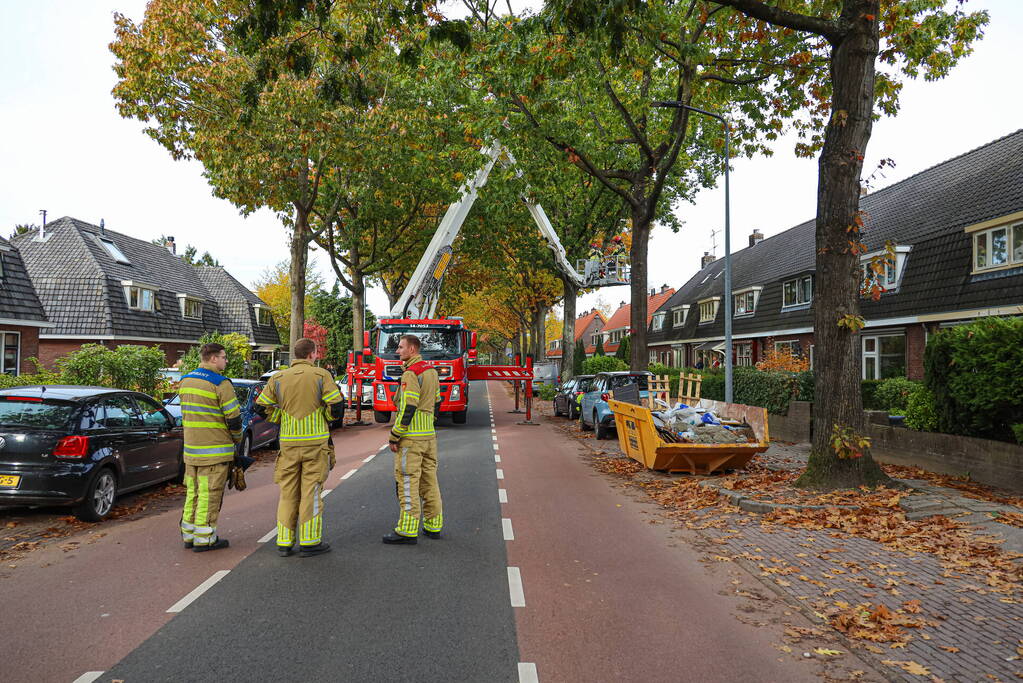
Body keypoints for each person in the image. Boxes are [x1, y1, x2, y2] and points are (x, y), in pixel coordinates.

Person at [256, 338, 343, 557]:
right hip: (315, 444)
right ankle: (309, 542)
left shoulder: (277, 377)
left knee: (287, 493)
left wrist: (280, 417)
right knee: (311, 493)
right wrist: (326, 416)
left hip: (288, 445)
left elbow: (260, 407)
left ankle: (284, 543)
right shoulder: (321, 375)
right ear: (312, 354)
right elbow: (337, 405)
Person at [179, 343, 243, 552]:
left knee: (193, 492)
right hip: (215, 450)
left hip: (191, 450)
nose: (226, 361)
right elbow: (233, 419)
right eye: (224, 357)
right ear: (214, 358)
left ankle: (188, 534)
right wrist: (237, 440)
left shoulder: (186, 380)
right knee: (209, 493)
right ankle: (205, 538)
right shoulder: (220, 383)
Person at [383, 334, 442, 545]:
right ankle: (433, 526)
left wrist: (395, 434)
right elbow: (437, 402)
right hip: (429, 437)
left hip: (411, 439)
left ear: (412, 350)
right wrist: (429, 424)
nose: (397, 351)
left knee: (407, 482)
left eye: (400, 347)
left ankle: (407, 531)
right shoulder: (432, 371)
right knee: (430, 481)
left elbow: (409, 406)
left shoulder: (411, 373)